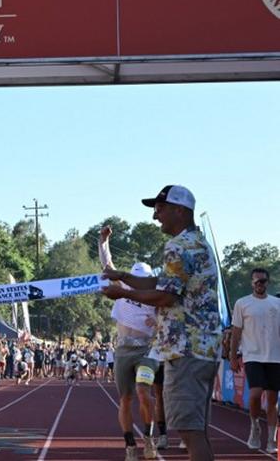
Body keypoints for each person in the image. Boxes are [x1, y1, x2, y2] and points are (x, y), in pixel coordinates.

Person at [103, 185, 222, 461]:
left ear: (179, 210)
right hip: (202, 347)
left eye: (160, 208)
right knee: (198, 431)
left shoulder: (178, 246)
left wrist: (122, 292)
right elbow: (161, 283)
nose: (156, 216)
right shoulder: (197, 243)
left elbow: (164, 296)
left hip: (185, 350)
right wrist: (123, 276)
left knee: (190, 433)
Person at [99, 225, 159, 460]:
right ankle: (130, 446)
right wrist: (103, 241)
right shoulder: (122, 286)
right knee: (125, 399)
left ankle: (149, 438)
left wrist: (158, 325)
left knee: (144, 393)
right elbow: (107, 265)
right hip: (123, 350)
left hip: (146, 350)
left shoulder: (155, 293)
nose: (138, 284)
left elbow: (168, 318)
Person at [229, 268, 280, 453]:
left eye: (263, 281)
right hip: (252, 355)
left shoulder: (277, 304)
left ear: (268, 282)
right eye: (257, 281)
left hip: (275, 357)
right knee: (256, 394)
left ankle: (272, 440)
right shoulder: (242, 303)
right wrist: (233, 356)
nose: (260, 284)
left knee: (273, 400)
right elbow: (236, 333)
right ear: (252, 282)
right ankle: (255, 427)